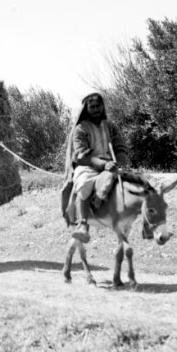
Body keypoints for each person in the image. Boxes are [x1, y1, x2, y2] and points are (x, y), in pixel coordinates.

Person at [64, 92, 130, 243]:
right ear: (86, 109)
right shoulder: (80, 129)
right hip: (88, 166)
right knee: (84, 184)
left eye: (98, 106)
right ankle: (82, 224)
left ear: (103, 107)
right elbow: (82, 155)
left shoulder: (110, 127)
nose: (96, 109)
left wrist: (120, 162)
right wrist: (103, 164)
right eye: (92, 107)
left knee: (135, 181)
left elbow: (121, 147)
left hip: (111, 165)